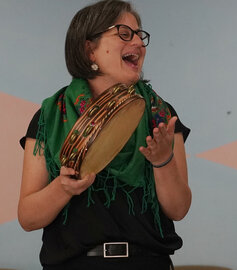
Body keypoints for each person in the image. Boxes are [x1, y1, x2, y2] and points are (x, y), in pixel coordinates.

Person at [17, 1, 191, 269]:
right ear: (90, 50)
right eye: (124, 33)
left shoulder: (160, 115)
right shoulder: (51, 117)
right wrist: (62, 187)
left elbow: (178, 210)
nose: (138, 43)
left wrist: (162, 160)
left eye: (139, 34)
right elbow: (28, 218)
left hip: (148, 263)